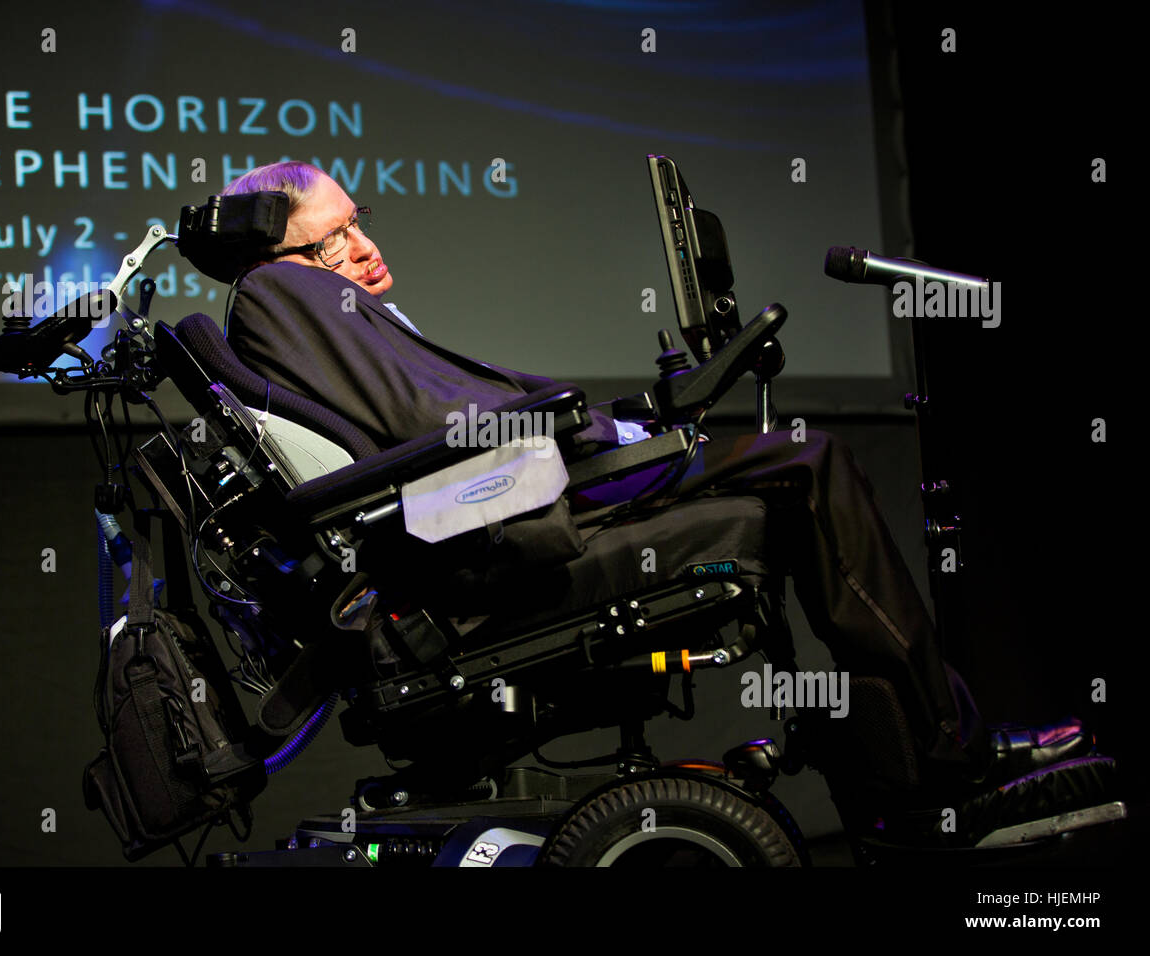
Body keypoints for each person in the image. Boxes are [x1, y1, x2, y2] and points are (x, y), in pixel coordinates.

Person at [217, 160, 1092, 804]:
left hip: (522, 479)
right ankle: (950, 755)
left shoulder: (314, 295)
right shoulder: (282, 294)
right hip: (502, 512)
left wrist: (619, 423)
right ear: (275, 248)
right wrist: (592, 428)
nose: (363, 246)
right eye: (334, 237)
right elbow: (433, 425)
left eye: (357, 220)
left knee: (778, 471)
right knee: (806, 460)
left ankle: (918, 758)